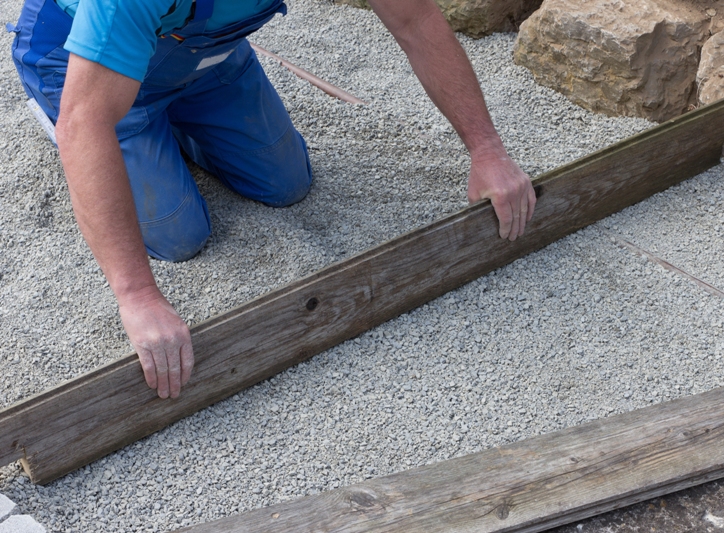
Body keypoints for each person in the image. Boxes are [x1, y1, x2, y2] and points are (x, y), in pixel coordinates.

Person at [10, 0, 537, 400]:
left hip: (206, 59)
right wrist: (138, 297)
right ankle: (58, 110)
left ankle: (173, 128)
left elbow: (415, 20)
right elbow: (89, 122)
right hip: (75, 66)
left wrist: (487, 149)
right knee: (179, 233)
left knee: (286, 184)